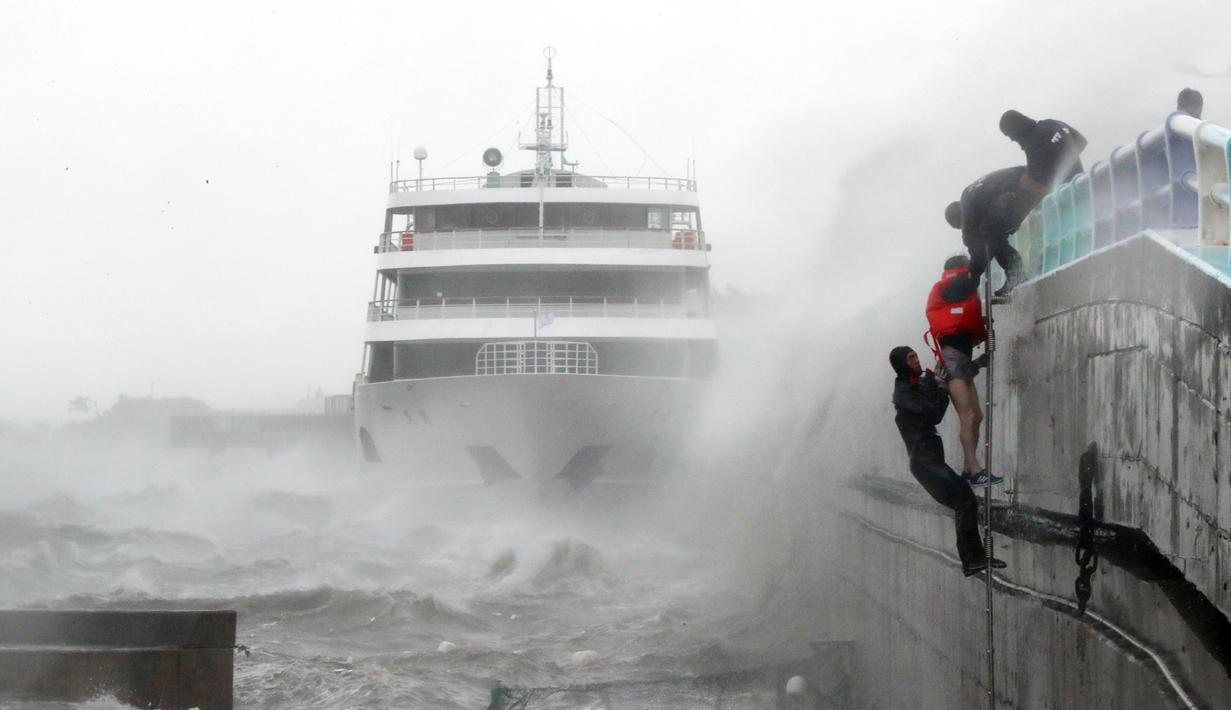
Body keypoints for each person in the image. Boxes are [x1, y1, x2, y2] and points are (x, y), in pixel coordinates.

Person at [889, 346, 1005, 576]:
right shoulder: (903, 393)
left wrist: (977, 364)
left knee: (964, 501)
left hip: (930, 460)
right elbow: (934, 413)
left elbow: (952, 377)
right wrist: (941, 387)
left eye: (915, 355)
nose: (916, 359)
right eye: (911, 358)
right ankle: (973, 559)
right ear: (902, 364)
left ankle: (974, 559)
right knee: (965, 501)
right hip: (924, 463)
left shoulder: (918, 383)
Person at [925, 255, 1001, 487]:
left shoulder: (953, 291)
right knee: (967, 416)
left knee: (976, 416)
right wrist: (982, 256)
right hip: (952, 361)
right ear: (959, 270)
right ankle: (974, 468)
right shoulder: (950, 286)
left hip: (961, 361)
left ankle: (970, 470)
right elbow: (967, 283)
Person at [944, 167, 1030, 295]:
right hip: (1025, 176)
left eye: (960, 227)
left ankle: (1016, 274)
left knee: (991, 237)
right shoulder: (972, 199)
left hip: (1019, 186)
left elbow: (976, 245)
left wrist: (972, 280)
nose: (963, 228)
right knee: (993, 237)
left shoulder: (969, 211)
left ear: (960, 220)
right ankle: (1016, 273)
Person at [999, 109, 1088, 191]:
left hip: (1070, 193)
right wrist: (1064, 156)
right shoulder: (1051, 123)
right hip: (1083, 181)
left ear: (1015, 130)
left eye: (1010, 135)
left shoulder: (1033, 143)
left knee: (1025, 181)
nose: (1012, 139)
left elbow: (1032, 181)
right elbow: (1082, 142)